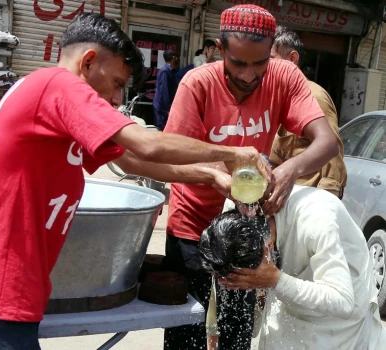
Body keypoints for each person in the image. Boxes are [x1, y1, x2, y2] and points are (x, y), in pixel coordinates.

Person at [0, 13, 271, 350]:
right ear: (88, 63)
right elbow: (148, 144)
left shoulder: (53, 103)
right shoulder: (60, 86)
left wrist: (209, 175)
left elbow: (134, 160)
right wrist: (232, 154)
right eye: (117, 83)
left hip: (5, 288)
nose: (117, 99)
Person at [163, 4, 339, 349]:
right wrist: (216, 174)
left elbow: (327, 142)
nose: (247, 75)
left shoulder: (284, 77)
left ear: (272, 53)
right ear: (220, 48)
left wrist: (289, 171)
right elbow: (170, 154)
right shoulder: (198, 83)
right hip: (192, 227)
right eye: (238, 63)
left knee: (236, 332)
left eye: (259, 63)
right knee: (188, 334)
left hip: (243, 231)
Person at [201, 186, 386, 349]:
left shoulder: (317, 221)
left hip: (338, 316)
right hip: (289, 293)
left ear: (268, 248)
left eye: (250, 280)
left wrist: (275, 280)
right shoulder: (237, 210)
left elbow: (343, 302)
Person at [270, 26, 347, 198]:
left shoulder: (314, 96)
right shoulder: (277, 97)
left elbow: (333, 163)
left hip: (307, 199)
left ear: (292, 59)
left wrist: (326, 204)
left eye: (270, 59)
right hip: (284, 200)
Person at [153, 50, 178, 130]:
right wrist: (168, 108)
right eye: (176, 57)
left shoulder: (170, 71)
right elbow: (164, 91)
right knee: (163, 129)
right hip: (162, 108)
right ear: (173, 58)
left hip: (164, 107)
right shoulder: (165, 71)